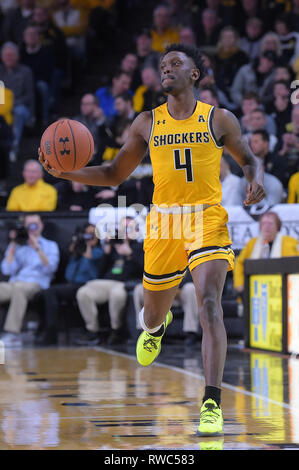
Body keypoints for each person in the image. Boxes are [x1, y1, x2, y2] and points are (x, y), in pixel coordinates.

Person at [38, 43, 265, 437]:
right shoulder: (146, 122)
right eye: (162, 65)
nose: (166, 69)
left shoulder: (220, 119)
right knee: (154, 312)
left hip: (206, 218)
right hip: (163, 224)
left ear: (195, 74)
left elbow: (249, 158)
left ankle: (211, 402)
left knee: (209, 301)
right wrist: (66, 174)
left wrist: (255, 179)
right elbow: (112, 173)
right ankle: (156, 328)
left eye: (175, 63)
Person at [75, 217, 144, 346]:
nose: (126, 231)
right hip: (107, 282)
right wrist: (106, 252)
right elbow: (101, 272)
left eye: (130, 228)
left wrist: (130, 255)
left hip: (126, 284)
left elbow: (145, 271)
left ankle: (116, 330)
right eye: (124, 228)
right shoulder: (114, 245)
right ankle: (92, 330)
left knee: (116, 293)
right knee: (84, 292)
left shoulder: (140, 247)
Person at [36, 223, 104, 345]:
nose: (90, 236)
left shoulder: (98, 252)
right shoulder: (78, 252)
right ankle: (45, 328)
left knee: (51, 292)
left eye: (93, 234)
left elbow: (87, 268)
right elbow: (69, 274)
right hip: (72, 285)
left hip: (87, 285)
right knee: (43, 293)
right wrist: (77, 250)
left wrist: (88, 246)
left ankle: (51, 331)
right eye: (87, 234)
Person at [0, 214, 59, 347]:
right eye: (29, 225)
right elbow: (7, 270)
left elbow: (50, 268)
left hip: (36, 284)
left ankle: (13, 334)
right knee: (13, 288)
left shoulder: (50, 245)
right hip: (15, 283)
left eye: (35, 224)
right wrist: (13, 245)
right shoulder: (18, 245)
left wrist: (37, 248)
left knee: (19, 290)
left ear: (41, 225)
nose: (32, 228)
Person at [233, 211, 299, 295]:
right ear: (260, 227)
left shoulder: (290, 242)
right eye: (264, 223)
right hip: (256, 290)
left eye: (270, 223)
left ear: (277, 226)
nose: (267, 227)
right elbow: (239, 263)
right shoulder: (252, 244)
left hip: (283, 290)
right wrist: (240, 285)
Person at [0, 42, 35, 161]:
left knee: (18, 112)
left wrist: (11, 105)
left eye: (11, 55)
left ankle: (13, 148)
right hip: (3, 108)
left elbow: (29, 96)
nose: (8, 58)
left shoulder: (26, 71)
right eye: (6, 55)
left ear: (17, 56)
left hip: (21, 108)